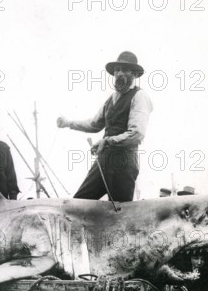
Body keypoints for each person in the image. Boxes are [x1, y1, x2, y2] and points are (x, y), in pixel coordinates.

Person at [57, 51, 153, 202]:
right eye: (117, 70)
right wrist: (69, 123)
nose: (119, 73)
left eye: (124, 69)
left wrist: (107, 141)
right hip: (103, 161)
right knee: (80, 203)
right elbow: (94, 124)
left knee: (121, 212)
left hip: (124, 163)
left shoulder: (139, 96)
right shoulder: (110, 100)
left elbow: (136, 134)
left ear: (134, 74)